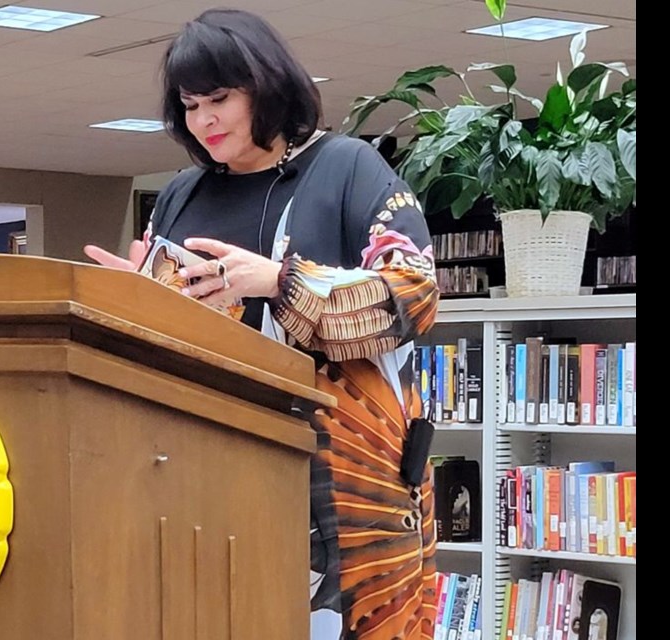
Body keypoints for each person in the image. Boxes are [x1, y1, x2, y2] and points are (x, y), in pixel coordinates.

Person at [84, 8, 440, 640]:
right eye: (190, 105)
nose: (204, 121)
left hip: (340, 500)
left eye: (219, 99)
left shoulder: (349, 168)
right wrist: (131, 301)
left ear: (268, 86)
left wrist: (279, 282)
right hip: (197, 485)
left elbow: (412, 295)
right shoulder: (181, 194)